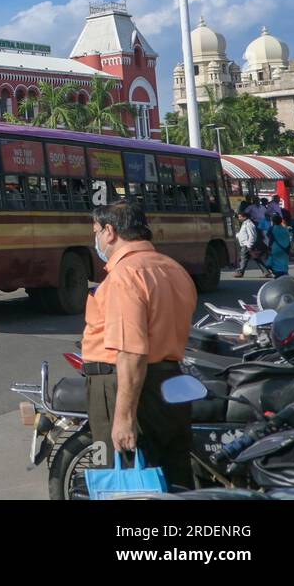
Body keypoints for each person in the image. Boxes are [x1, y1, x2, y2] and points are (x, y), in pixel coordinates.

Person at [82, 200, 196, 489]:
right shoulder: (173, 269)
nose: (96, 238)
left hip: (127, 387)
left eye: (96, 230)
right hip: (171, 381)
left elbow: (132, 352)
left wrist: (123, 417)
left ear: (110, 232)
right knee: (172, 476)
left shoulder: (126, 275)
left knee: (129, 481)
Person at [233, 211, 267, 278]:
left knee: (243, 258)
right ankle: (266, 272)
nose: (239, 218)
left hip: (247, 244)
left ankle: (240, 272)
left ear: (245, 217)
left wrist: (249, 245)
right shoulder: (245, 224)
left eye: (240, 217)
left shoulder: (249, 224)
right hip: (246, 244)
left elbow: (252, 235)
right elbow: (243, 234)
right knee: (256, 258)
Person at [266, 213, 292, 279]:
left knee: (275, 261)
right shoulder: (285, 229)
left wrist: (269, 248)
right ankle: (284, 273)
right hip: (285, 248)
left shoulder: (272, 228)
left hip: (276, 248)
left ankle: (277, 274)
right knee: (284, 261)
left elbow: (270, 238)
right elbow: (288, 239)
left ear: (273, 221)